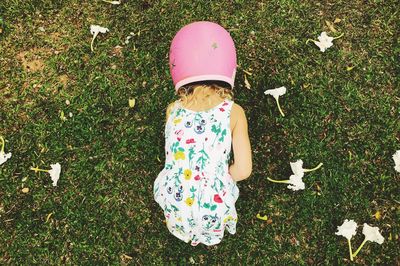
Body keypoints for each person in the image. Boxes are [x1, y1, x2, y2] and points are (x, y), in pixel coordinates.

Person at [153, 21, 252, 246]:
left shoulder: (173, 110)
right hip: (213, 205)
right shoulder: (234, 113)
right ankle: (208, 231)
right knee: (212, 207)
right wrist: (217, 180)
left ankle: (182, 228)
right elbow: (243, 170)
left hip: (174, 197)